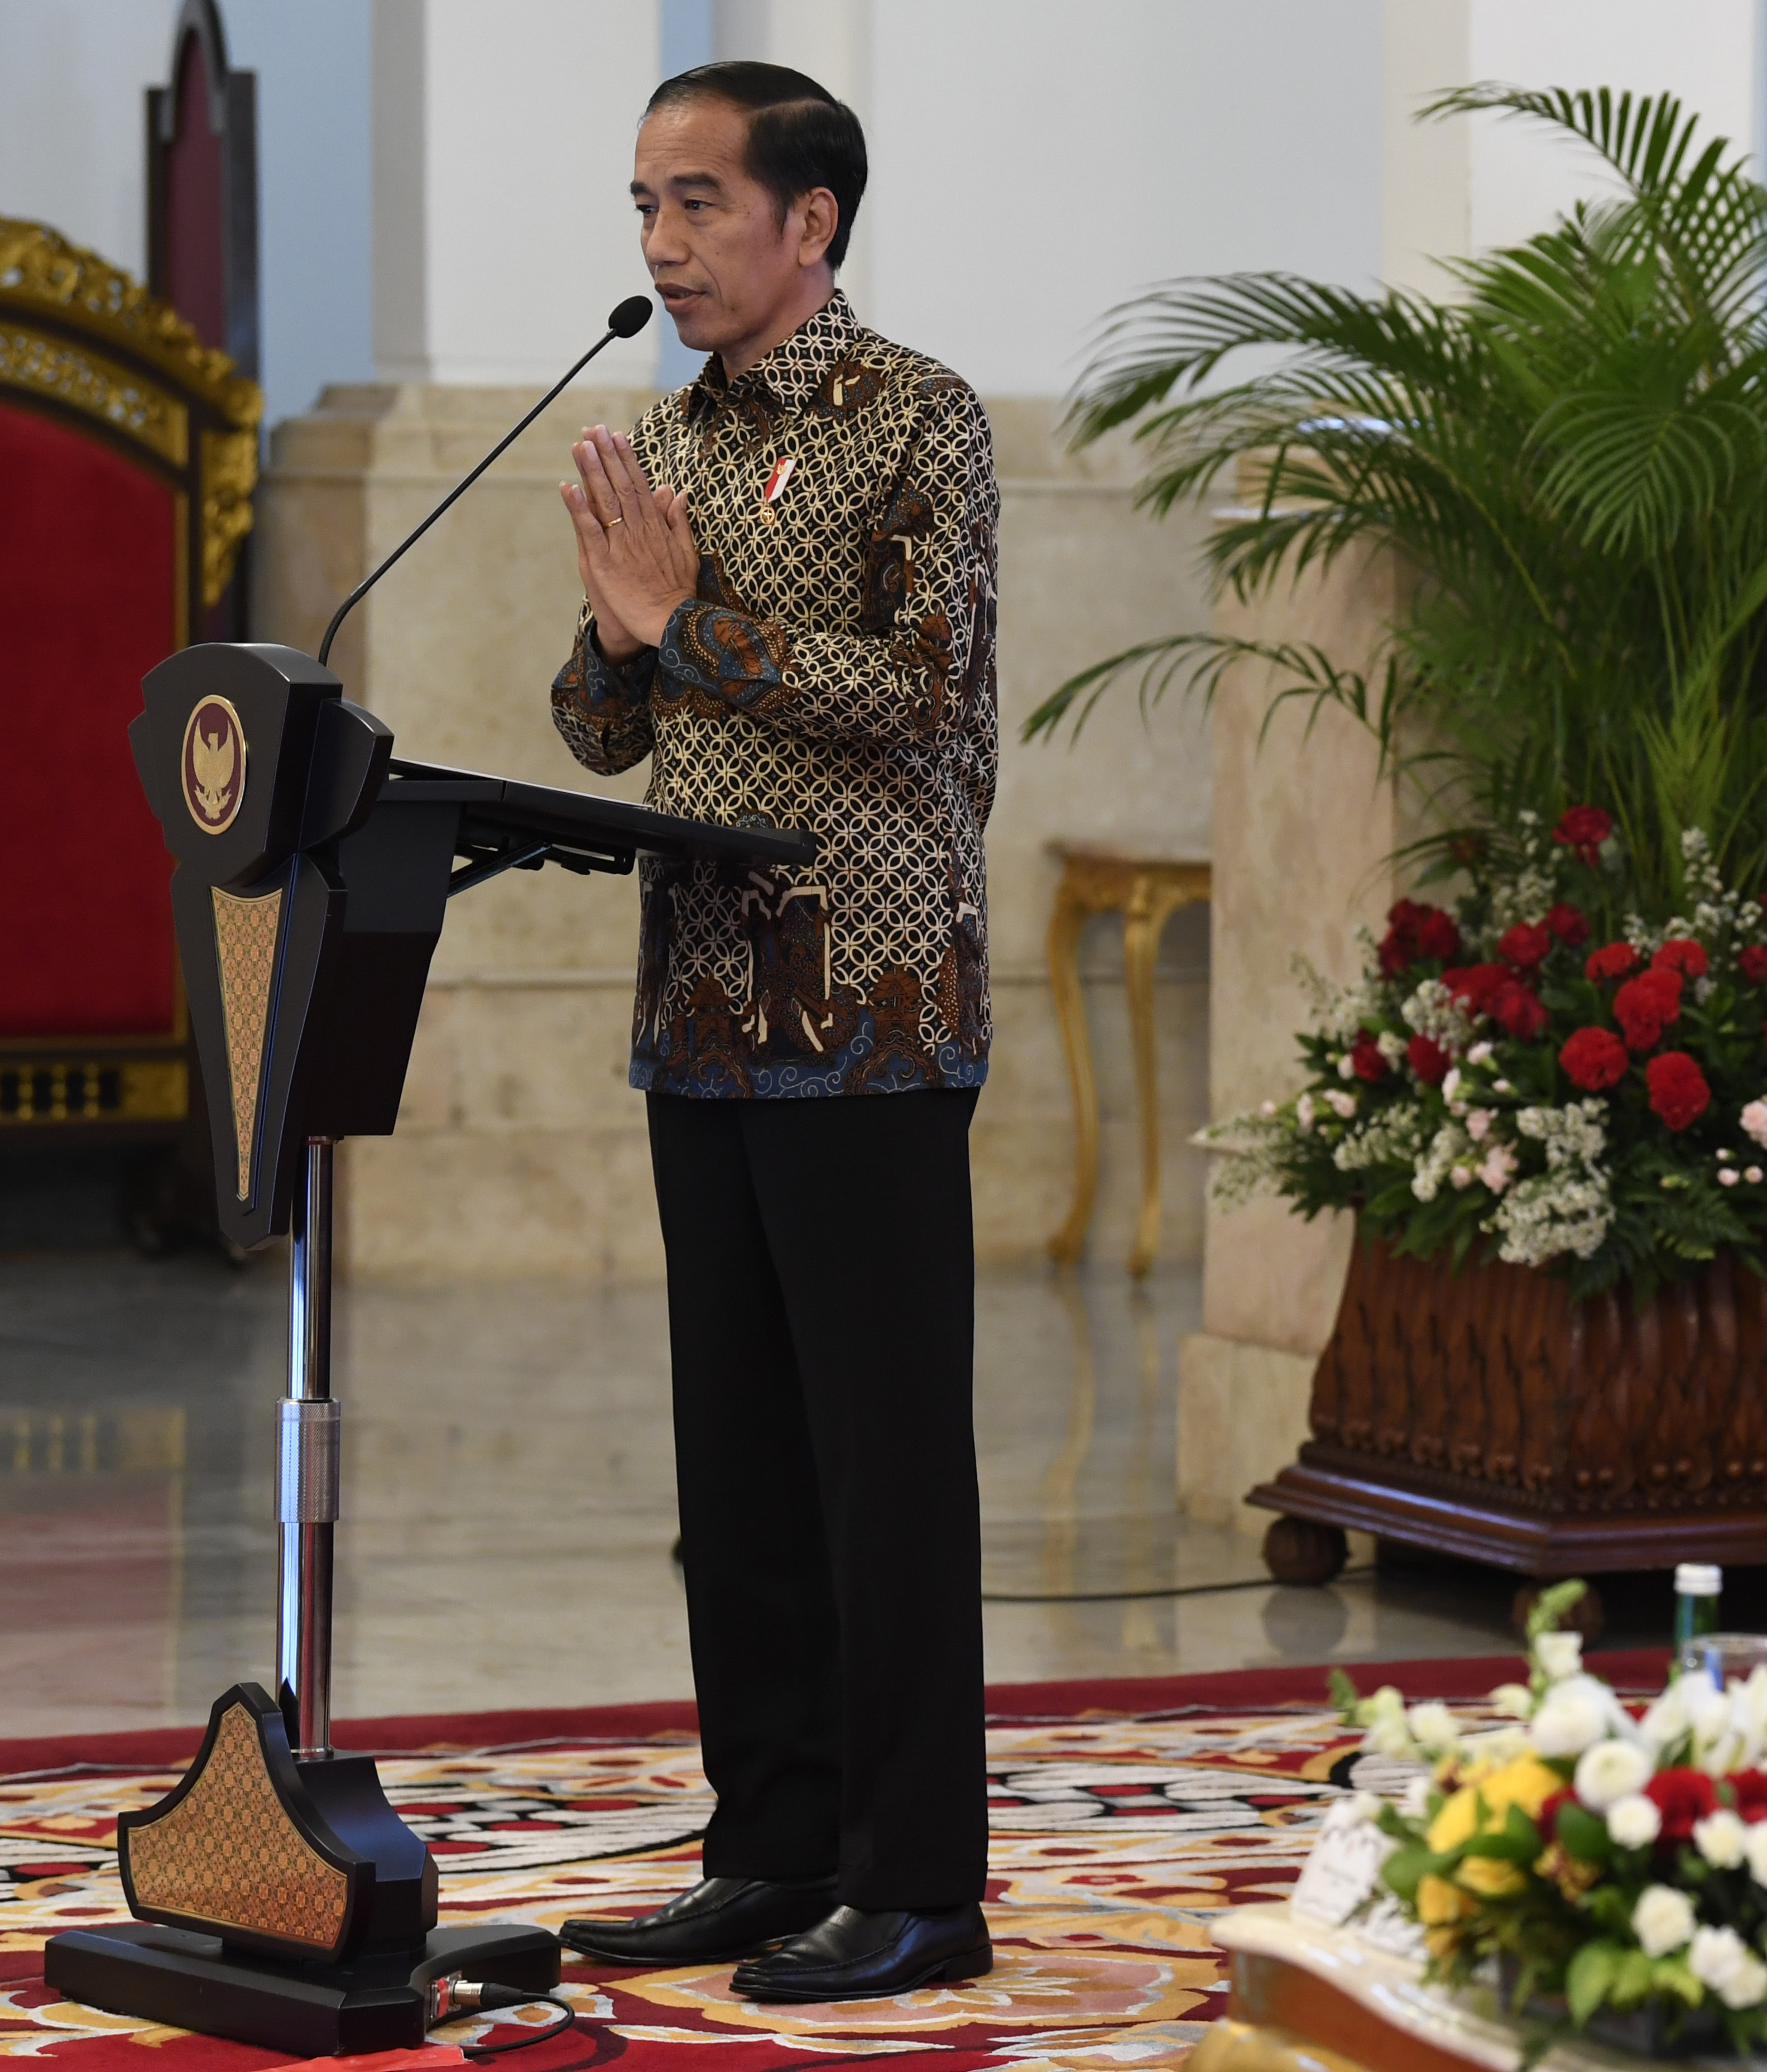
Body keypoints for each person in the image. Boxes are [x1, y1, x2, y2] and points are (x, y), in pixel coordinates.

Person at [544, 61, 1000, 2002]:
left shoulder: (923, 422)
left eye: (698, 204)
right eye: (645, 203)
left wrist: (684, 627)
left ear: (810, 220)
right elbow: (599, 727)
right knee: (732, 1463)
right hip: (702, 1005)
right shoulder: (675, 438)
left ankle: (918, 1880)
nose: (660, 245)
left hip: (871, 1009)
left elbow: (926, 693)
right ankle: (770, 1841)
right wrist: (615, 637)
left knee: (877, 1461)